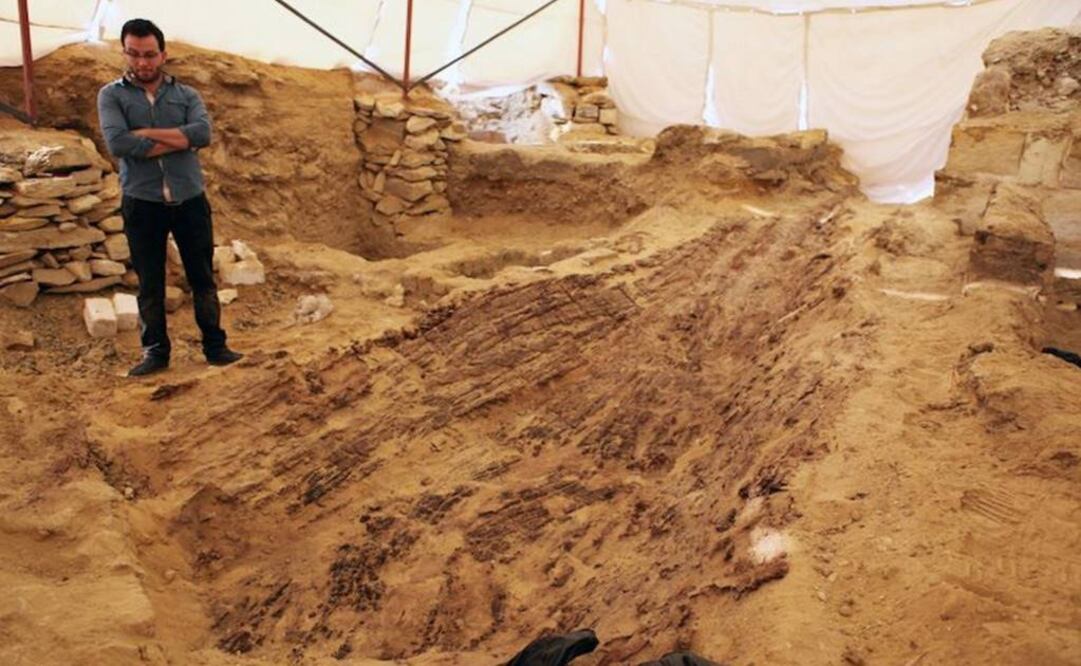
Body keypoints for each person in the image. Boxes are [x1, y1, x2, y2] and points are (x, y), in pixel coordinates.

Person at [97, 18, 242, 377]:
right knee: (150, 282)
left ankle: (215, 346)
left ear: (163, 54)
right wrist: (179, 138)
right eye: (134, 54)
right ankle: (156, 353)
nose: (142, 63)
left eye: (149, 55)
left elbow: (203, 133)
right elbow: (118, 144)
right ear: (125, 53)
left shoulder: (186, 95)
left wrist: (143, 135)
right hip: (142, 202)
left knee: (202, 277)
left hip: (189, 200)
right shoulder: (111, 95)